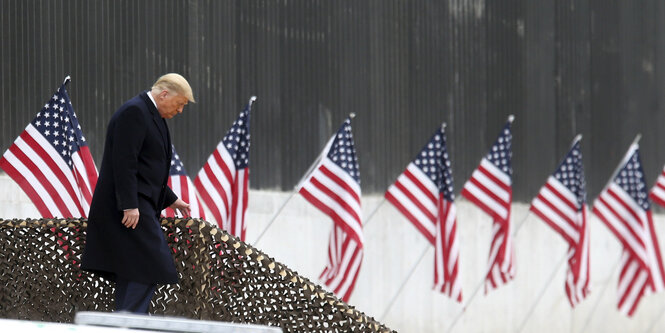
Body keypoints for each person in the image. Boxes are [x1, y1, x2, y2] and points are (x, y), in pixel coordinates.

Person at [82, 73, 194, 314]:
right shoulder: (134, 112)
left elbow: (147, 168)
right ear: (164, 94)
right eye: (180, 103)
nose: (180, 110)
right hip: (129, 210)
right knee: (149, 264)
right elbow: (124, 162)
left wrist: (171, 199)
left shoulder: (153, 115)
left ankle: (127, 321)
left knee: (135, 270)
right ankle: (128, 323)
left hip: (139, 205)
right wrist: (129, 205)